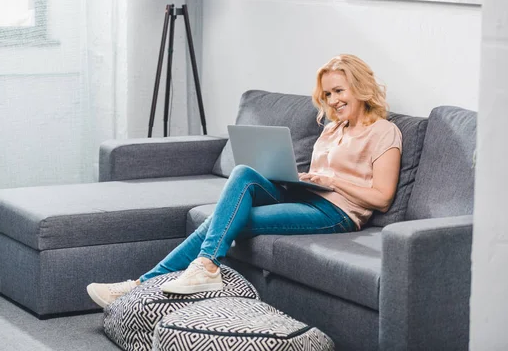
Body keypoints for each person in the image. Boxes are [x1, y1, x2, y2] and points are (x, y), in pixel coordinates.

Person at [86, 54, 402, 308]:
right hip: (307, 196)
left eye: (339, 91)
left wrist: (333, 181)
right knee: (244, 174)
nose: (333, 100)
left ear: (360, 88)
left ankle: (143, 285)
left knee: (219, 220)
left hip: (338, 214)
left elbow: (382, 197)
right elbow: (322, 174)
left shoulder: (384, 132)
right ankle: (194, 269)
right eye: (328, 94)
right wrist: (302, 178)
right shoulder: (333, 128)